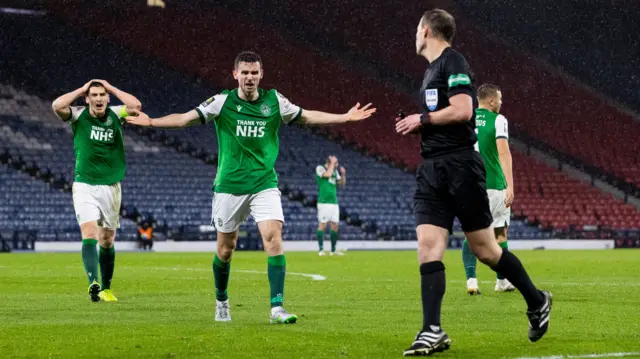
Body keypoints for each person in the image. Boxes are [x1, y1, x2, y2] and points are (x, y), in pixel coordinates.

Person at [126, 51, 376, 324]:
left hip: (263, 184)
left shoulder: (274, 101)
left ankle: (277, 308)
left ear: (261, 75)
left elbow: (306, 116)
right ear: (235, 74)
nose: (249, 77)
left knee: (273, 236)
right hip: (229, 187)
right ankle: (221, 300)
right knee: (225, 249)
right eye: (244, 72)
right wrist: (152, 122)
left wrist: (344, 118)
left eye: (254, 72)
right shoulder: (222, 102)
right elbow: (186, 118)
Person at [395, 9, 552, 356]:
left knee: (486, 250)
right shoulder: (430, 71)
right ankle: (431, 330)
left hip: (460, 166)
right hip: (432, 168)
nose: (414, 35)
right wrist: (421, 125)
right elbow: (444, 116)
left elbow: (464, 110)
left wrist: (422, 118)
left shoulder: (453, 63)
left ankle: (537, 300)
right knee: (427, 248)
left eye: (417, 29)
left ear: (425, 30)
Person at [52, 80, 141, 302]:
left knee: (107, 240)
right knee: (89, 233)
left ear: (107, 97)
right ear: (88, 99)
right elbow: (57, 106)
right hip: (84, 184)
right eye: (94, 95)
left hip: (111, 185)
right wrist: (81, 89)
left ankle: (107, 288)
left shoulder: (115, 113)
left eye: (102, 95)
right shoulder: (78, 115)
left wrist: (111, 87)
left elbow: (135, 106)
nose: (99, 98)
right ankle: (94, 281)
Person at [462, 84, 516, 294]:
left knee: (471, 234)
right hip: (493, 184)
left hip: (468, 185)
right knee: (500, 234)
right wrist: (510, 185)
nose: (501, 103)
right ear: (491, 100)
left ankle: (471, 281)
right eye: (500, 99)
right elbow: (503, 153)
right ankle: (502, 282)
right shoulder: (499, 120)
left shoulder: (465, 117)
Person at [315, 155, 346, 256]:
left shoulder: (335, 171)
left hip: (334, 203)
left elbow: (341, 184)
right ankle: (321, 250)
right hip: (324, 202)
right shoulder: (320, 168)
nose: (336, 165)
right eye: (335, 162)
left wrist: (343, 174)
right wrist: (332, 164)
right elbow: (327, 175)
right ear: (329, 163)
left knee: (335, 225)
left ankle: (333, 250)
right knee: (323, 225)